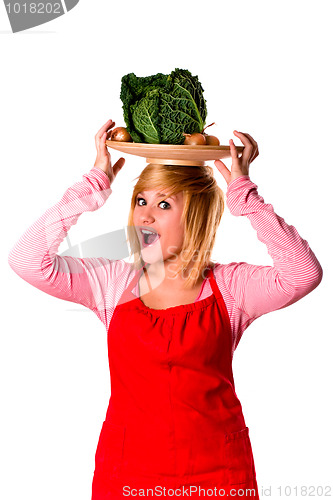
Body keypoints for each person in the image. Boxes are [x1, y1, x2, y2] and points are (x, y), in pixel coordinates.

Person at [8, 119, 323, 499]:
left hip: (218, 477)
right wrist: (91, 186)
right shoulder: (111, 284)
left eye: (163, 204)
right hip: (127, 474)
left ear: (194, 215)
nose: (145, 215)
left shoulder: (232, 287)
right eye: (141, 201)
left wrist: (244, 196)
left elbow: (302, 274)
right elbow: (27, 260)